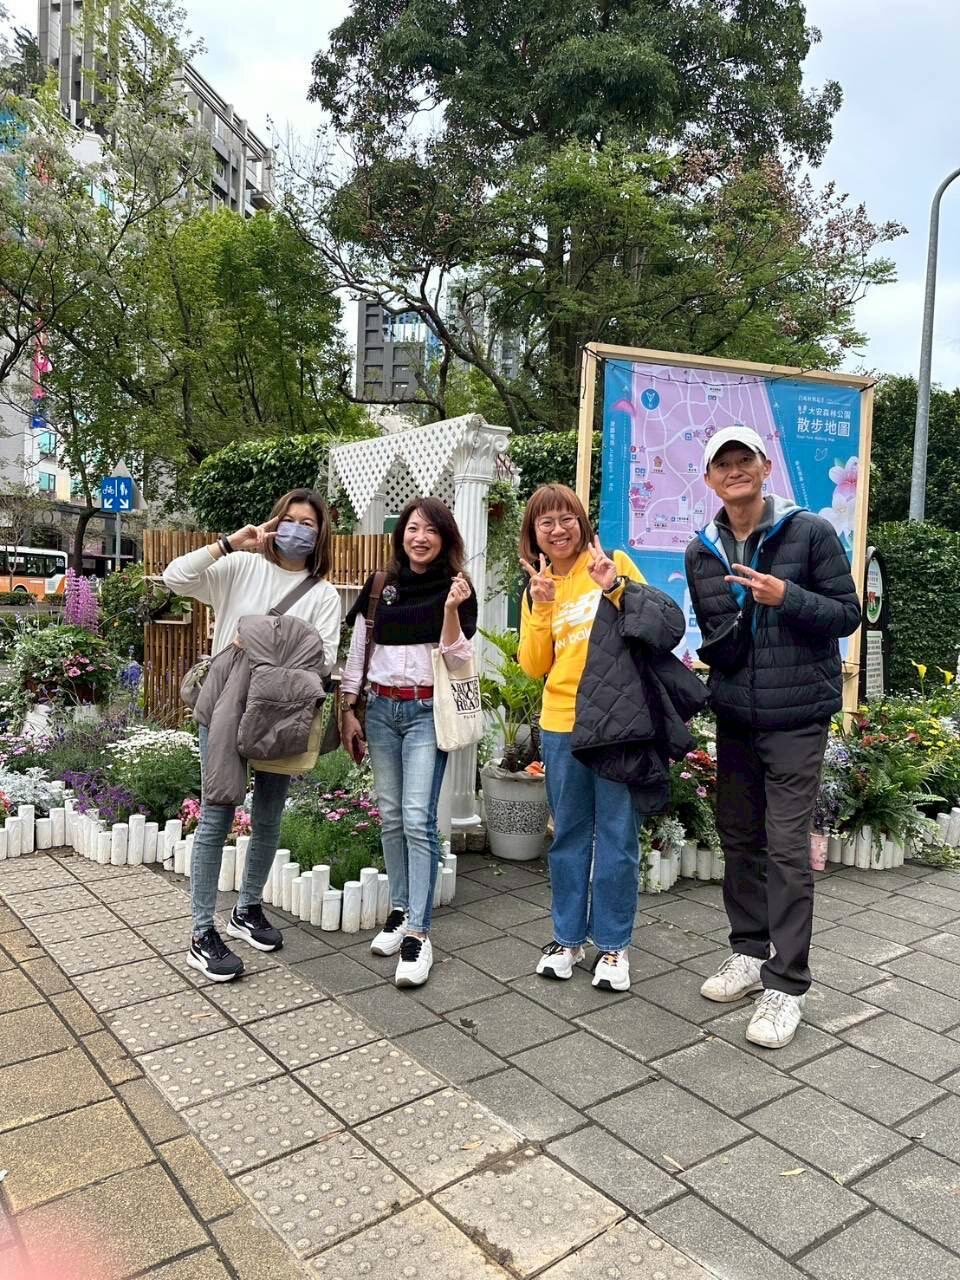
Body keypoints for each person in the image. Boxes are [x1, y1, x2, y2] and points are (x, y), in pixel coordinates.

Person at [685, 425, 861, 1049]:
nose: (735, 471)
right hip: (737, 715)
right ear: (710, 479)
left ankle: (786, 984)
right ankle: (749, 951)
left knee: (787, 848)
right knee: (739, 838)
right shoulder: (701, 551)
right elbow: (716, 632)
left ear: (765, 468)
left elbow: (847, 614)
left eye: (745, 460)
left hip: (797, 717)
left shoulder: (808, 532)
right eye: (722, 464)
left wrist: (787, 597)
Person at [163, 488, 341, 981]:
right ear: (275, 523)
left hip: (282, 714)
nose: (297, 530)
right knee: (217, 813)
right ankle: (201, 932)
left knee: (267, 817)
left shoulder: (323, 594)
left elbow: (323, 658)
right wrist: (227, 544)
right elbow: (176, 577)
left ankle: (247, 909)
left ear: (320, 535)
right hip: (224, 707)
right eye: (290, 519)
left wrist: (254, 636)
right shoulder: (240, 567)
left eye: (308, 524)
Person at [339, 497, 477, 988]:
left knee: (418, 819)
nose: (420, 538)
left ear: (445, 538)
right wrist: (348, 709)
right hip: (380, 710)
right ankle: (400, 911)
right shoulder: (381, 585)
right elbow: (359, 651)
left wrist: (450, 610)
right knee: (393, 816)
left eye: (431, 530)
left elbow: (457, 659)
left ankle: (419, 932)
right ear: (401, 535)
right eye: (413, 528)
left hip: (425, 712)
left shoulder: (457, 588)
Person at [518, 484, 645, 992]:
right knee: (569, 833)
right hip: (561, 722)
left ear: (582, 521)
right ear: (534, 535)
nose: (558, 529)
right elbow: (534, 666)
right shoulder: (539, 586)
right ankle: (567, 938)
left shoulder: (612, 563)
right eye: (545, 522)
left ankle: (613, 945)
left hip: (615, 723)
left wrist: (614, 587)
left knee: (617, 835)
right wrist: (541, 606)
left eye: (566, 518)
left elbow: (650, 626)